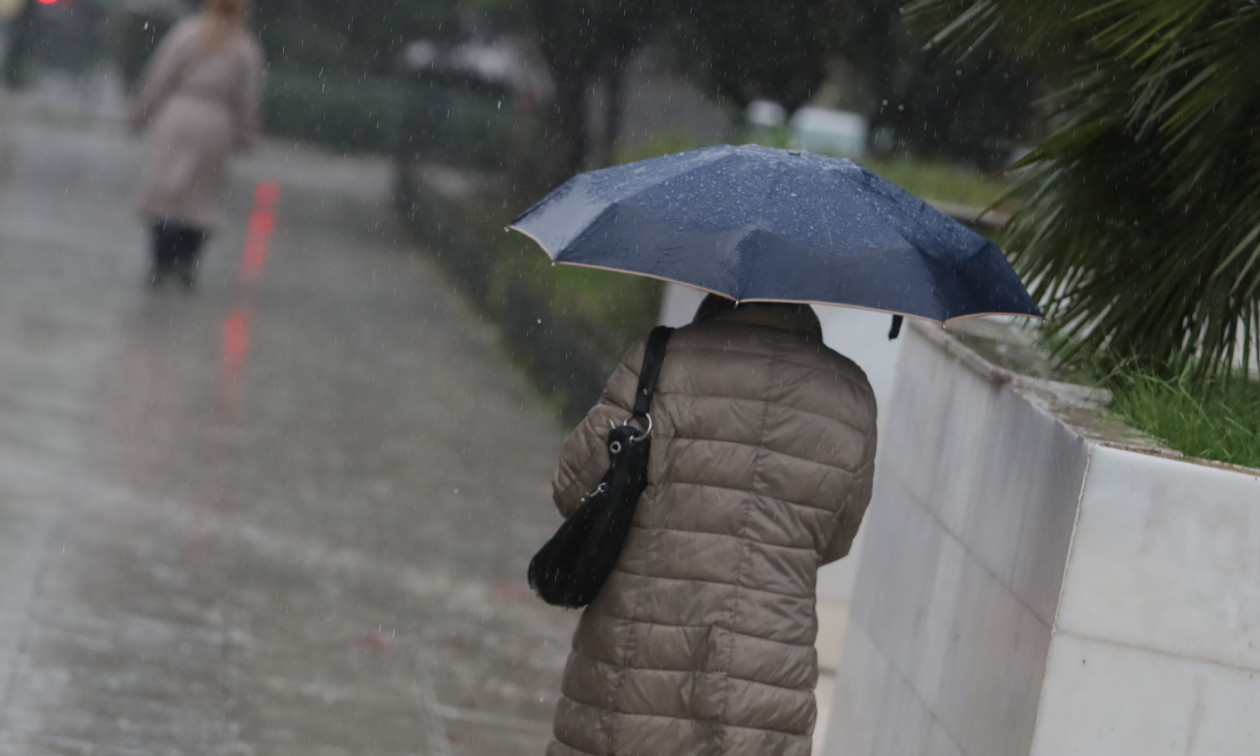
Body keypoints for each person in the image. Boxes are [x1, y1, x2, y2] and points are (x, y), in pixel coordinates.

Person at [546, 294, 878, 756]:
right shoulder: (851, 394)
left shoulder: (661, 361)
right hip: (765, 675)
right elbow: (835, 539)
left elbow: (572, 488)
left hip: (636, 655)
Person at [129, 0, 263, 290]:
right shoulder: (244, 47)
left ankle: (160, 261)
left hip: (178, 118)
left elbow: (159, 77)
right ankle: (187, 261)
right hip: (216, 126)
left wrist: (140, 114)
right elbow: (247, 98)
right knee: (202, 200)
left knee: (166, 192)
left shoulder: (186, 34)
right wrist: (245, 134)